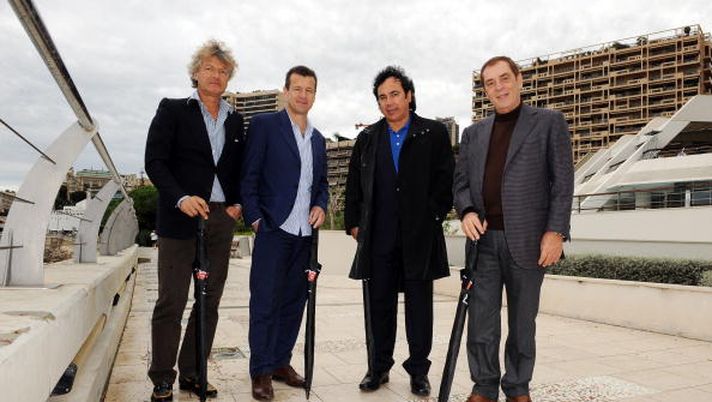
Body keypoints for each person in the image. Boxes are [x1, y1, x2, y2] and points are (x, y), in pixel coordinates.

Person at [453, 56, 574, 402]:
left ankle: (518, 387)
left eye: (504, 78)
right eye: (490, 83)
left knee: (523, 324)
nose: (499, 87)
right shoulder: (474, 134)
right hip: (483, 242)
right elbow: (460, 184)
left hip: (529, 241)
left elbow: (563, 181)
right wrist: (467, 210)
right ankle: (484, 387)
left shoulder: (548, 122)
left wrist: (556, 232)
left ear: (519, 79)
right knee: (481, 323)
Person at [344, 66, 455, 397]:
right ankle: (378, 368)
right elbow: (354, 185)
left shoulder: (433, 133)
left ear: (409, 95)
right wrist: (354, 223)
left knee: (419, 308)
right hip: (378, 237)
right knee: (379, 306)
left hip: (419, 237)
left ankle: (419, 371)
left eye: (395, 94)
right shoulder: (367, 138)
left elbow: (446, 181)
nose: (389, 102)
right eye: (382, 97)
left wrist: (431, 217)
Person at [144, 40, 244, 401]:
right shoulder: (172, 110)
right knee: (171, 300)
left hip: (221, 218)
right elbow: (155, 161)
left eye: (223, 71)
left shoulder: (236, 119)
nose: (216, 75)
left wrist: (237, 204)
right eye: (209, 68)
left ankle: (193, 372)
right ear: (195, 73)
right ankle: (162, 377)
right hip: (180, 217)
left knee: (209, 301)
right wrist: (181, 197)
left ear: (228, 77)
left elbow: (240, 167)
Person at [241, 65, 328, 401]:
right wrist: (255, 219)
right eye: (297, 88)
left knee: (293, 303)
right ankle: (260, 370)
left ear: (315, 95)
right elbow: (249, 176)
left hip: (305, 235)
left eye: (309, 89)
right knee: (265, 302)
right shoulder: (265, 126)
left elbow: (321, 184)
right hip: (273, 229)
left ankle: (280, 362)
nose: (303, 95)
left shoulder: (318, 139)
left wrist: (320, 204)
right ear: (286, 91)